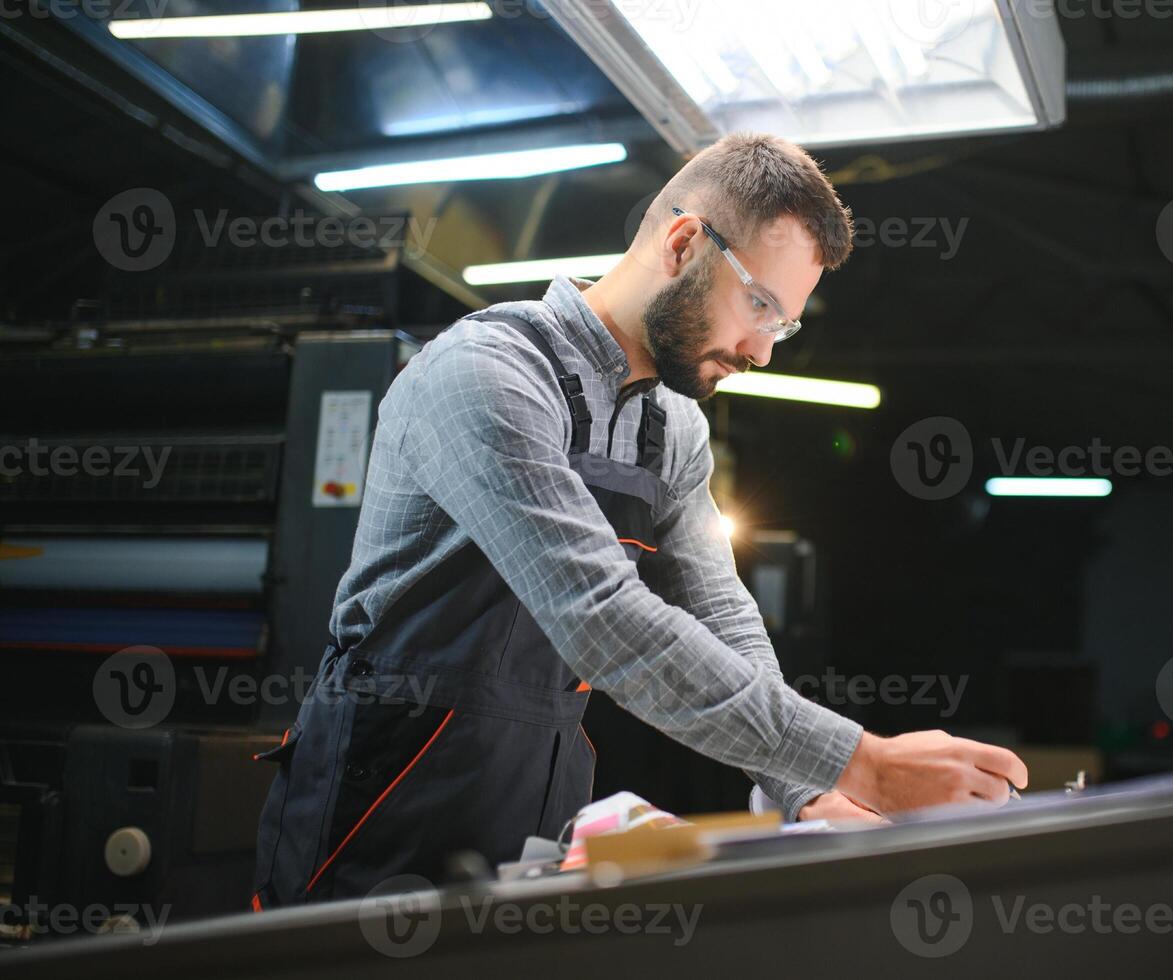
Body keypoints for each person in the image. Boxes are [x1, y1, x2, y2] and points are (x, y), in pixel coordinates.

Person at [252, 133, 1027, 907]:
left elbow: (720, 614)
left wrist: (806, 787)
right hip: (374, 807)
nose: (762, 349)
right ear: (684, 242)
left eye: (782, 325)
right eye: (759, 305)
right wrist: (866, 763)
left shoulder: (674, 430)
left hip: (529, 806)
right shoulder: (484, 376)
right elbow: (600, 617)